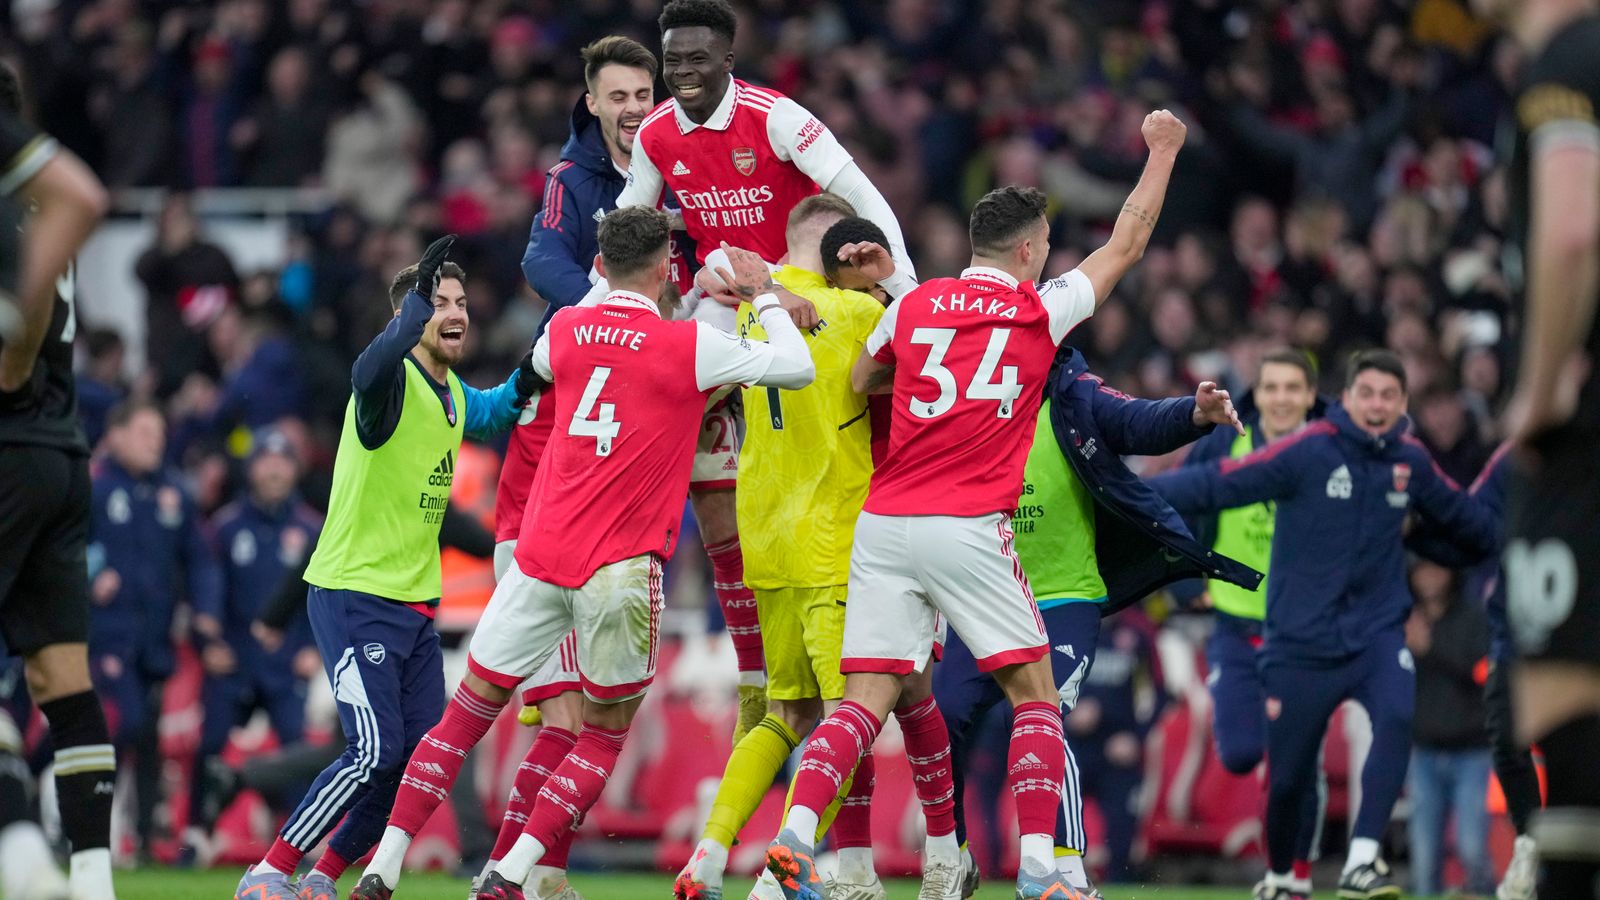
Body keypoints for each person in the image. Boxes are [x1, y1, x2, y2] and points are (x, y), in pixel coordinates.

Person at [767, 108, 1188, 900]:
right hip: (966, 526)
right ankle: (1039, 871)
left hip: (884, 526)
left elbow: (862, 378)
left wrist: (929, 392)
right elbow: (1128, 242)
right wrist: (1162, 151)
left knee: (860, 706)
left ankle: (792, 841)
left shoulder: (914, 305)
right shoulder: (1039, 308)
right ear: (1029, 250)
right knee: (1035, 697)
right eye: (1047, 245)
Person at [351, 207, 815, 900]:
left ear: (601, 265)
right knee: (601, 735)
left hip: (537, 556)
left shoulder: (565, 330)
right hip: (620, 566)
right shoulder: (688, 345)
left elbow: (538, 372)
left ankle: (383, 865)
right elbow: (798, 368)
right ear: (664, 268)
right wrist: (764, 295)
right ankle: (512, 872)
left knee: (463, 718)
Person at [234, 237, 539, 900]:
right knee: (372, 752)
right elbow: (366, 371)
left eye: (461, 303)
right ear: (410, 317)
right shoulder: (389, 384)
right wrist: (408, 318)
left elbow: (499, 408)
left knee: (417, 761)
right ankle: (269, 872)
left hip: (415, 606)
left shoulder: (451, 394)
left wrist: (553, 343)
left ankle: (322, 878)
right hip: (356, 594)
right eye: (440, 303)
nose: (456, 313)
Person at [1149, 349, 1498, 900]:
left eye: (1389, 395)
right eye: (1368, 394)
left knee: (1395, 713)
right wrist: (1124, 491)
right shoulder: (1306, 451)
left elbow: (1471, 527)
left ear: (1402, 403)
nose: (1377, 405)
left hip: (1374, 634)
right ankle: (1284, 873)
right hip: (1293, 639)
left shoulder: (1409, 460)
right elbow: (1211, 486)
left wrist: (1489, 521)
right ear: (1348, 399)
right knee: (1277, 772)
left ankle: (1362, 858)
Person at [512, 34, 766, 771]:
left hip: (688, 358)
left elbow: (724, 239)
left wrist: (714, 286)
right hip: (613, 372)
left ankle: (754, 674)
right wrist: (617, 316)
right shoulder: (572, 178)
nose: (632, 109)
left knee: (722, 511)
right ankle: (565, 676)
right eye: (617, 96)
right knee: (590, 530)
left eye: (642, 96)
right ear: (592, 103)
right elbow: (540, 259)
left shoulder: (685, 159)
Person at [934, 347, 1257, 898]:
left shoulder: (1073, 392)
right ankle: (951, 854)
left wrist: (1192, 414)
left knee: (1041, 715)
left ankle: (1066, 868)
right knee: (940, 719)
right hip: (987, 597)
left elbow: (1134, 421)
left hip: (1065, 598)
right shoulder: (961, 397)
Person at [674, 200, 892, 900]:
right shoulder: (856, 313)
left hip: (763, 538)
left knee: (785, 714)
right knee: (849, 716)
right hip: (831, 540)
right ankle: (780, 875)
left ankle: (707, 855)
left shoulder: (746, 313)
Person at [0, 60, 114, 899]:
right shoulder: (40, 202)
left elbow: (24, 325)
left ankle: (17, 849)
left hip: (10, 439)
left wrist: (8, 365)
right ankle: (94, 880)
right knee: (62, 682)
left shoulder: (18, 200)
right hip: (61, 452)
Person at [1497, 0, 1600, 894]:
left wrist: (1537, 391)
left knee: (1565, 720)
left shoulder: (1568, 60)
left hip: (1583, 442)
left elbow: (1571, 231)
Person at [618, 0, 916, 297]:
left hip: (803, 289)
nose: (682, 71)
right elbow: (628, 228)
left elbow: (859, 193)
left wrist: (902, 279)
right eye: (673, 60)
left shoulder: (777, 116)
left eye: (697, 59)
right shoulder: (653, 131)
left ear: (727, 61)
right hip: (724, 294)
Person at [1179, 350, 1327, 897]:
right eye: (1272, 388)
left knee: (1294, 765)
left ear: (1310, 396)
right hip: (1236, 625)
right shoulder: (1225, 443)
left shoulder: (1331, 450)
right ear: (1256, 395)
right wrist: (1186, 583)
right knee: (1241, 752)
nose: (1282, 398)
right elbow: (1180, 502)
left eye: (1293, 388)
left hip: (1303, 632)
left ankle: (1290, 876)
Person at [182, 429, 322, 865]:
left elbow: (324, 594)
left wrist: (315, 647)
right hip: (235, 658)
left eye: (284, 460)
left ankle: (299, 842)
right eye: (266, 460)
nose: (275, 469)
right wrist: (207, 642)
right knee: (210, 745)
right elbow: (205, 589)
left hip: (288, 661)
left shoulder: (312, 527)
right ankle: (195, 836)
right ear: (251, 468)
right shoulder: (224, 527)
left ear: (295, 469)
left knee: (297, 750)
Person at [89, 399, 221, 860]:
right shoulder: (93, 487)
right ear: (116, 435)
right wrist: (90, 573)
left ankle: (143, 838)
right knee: (121, 722)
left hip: (155, 637)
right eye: (145, 432)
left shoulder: (173, 493)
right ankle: (83, 821)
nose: (155, 442)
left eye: (160, 434)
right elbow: (60, 544)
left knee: (147, 736)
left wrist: (205, 610)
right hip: (106, 633)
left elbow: (200, 559)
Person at [1404, 560, 1494, 897]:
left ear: (1452, 572)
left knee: (1472, 848)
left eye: (1437, 569)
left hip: (1471, 751)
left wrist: (1430, 649)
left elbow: (1483, 672)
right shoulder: (1406, 618)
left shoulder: (1473, 617)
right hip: (1424, 750)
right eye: (1422, 570)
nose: (1429, 578)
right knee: (1424, 858)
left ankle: (1484, 893)